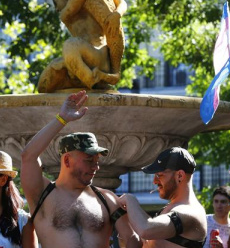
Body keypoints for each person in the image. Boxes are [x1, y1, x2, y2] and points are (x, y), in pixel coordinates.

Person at [20, 90, 141, 248]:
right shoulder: (41, 194)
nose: (96, 166)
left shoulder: (107, 199)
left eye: (97, 160)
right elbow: (28, 156)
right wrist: (62, 119)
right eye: (89, 159)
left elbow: (133, 239)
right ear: (67, 160)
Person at [37, 0, 127, 92]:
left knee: (70, 46)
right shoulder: (66, 14)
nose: (56, 7)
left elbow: (119, 1)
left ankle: (92, 81)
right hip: (83, 54)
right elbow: (70, 8)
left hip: (98, 55)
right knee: (44, 84)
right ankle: (78, 79)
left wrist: (117, 14)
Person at [117, 147, 207, 247]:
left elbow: (146, 229)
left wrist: (130, 200)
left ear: (180, 176)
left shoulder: (190, 212)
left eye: (159, 175)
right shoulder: (172, 209)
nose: (154, 181)